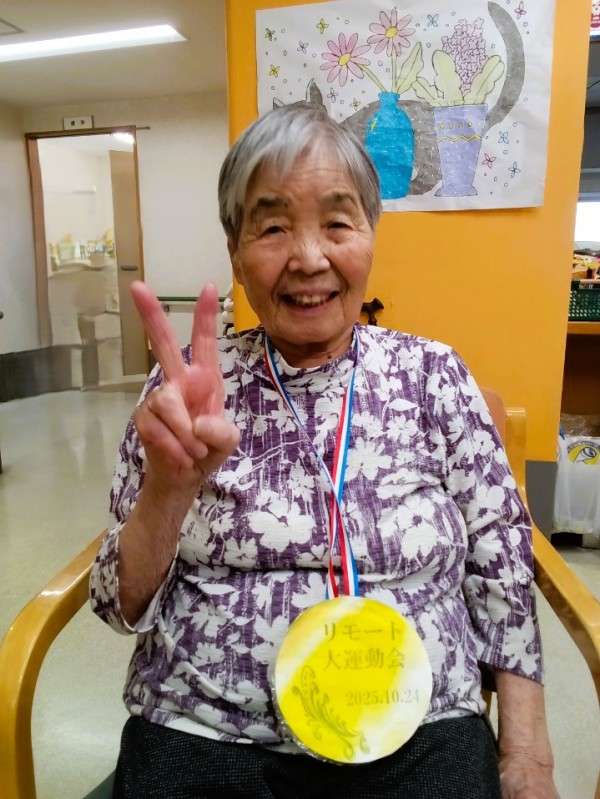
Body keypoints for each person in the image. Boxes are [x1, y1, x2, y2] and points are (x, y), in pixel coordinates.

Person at [90, 101, 558, 799]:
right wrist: (168, 489)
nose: (309, 258)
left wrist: (526, 755)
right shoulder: (186, 391)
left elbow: (502, 566)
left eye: (338, 223)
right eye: (273, 226)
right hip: (204, 729)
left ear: (371, 234)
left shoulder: (433, 375)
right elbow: (115, 604)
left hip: (418, 729)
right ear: (235, 250)